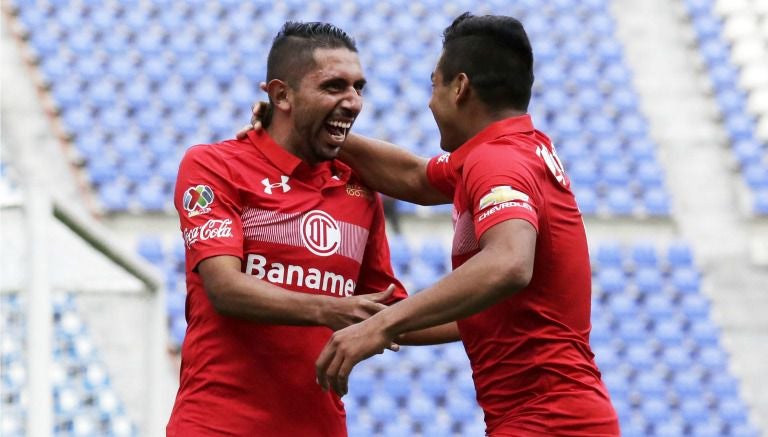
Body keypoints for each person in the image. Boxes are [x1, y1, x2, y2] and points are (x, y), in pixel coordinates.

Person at [308, 13, 620, 436]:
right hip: (556, 414)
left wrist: (383, 324)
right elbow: (415, 178)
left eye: (433, 85)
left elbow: (509, 263)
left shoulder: (497, 162)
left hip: (547, 419)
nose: (429, 101)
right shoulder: (510, 150)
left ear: (460, 87)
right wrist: (320, 130)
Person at [167, 21, 408, 436]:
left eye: (359, 88)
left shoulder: (359, 189)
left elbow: (389, 309)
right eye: (334, 86)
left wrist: (495, 312)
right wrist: (330, 308)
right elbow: (225, 288)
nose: (353, 102)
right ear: (281, 95)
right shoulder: (214, 166)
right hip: (218, 426)